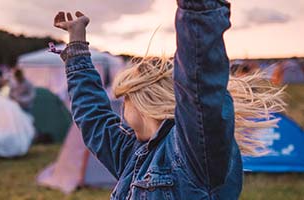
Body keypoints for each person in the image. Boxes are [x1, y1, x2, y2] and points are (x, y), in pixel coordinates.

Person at [52, 1, 285, 199]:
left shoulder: (192, 150)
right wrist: (77, 44)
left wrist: (198, 8)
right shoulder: (134, 152)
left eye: (125, 99)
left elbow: (199, 81)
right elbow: (94, 117)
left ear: (143, 100)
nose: (121, 108)